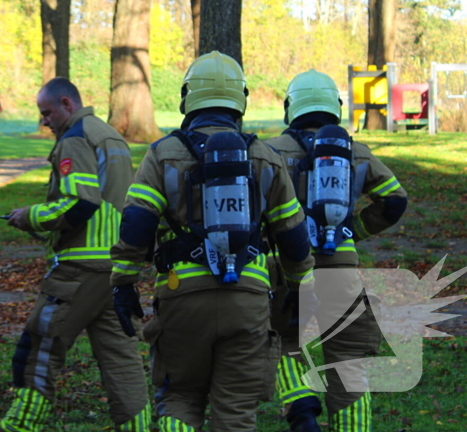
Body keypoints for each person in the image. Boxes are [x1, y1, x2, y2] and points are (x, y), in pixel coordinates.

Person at [110, 51, 314, 432]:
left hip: (181, 300)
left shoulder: (162, 154)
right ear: (241, 98)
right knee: (236, 412)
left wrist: (122, 283)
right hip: (248, 302)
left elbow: (136, 224)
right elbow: (294, 238)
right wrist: (301, 290)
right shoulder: (266, 158)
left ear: (188, 97)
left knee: (180, 397)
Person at [0, 77, 151, 432]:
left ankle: (18, 427)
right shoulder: (110, 135)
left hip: (80, 268)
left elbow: (81, 201)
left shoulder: (75, 137)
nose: (45, 121)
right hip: (117, 268)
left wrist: (29, 216)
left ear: (67, 104)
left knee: (39, 347)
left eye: (46, 113)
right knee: (121, 358)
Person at [266, 69, 408, 432]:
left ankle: (302, 408)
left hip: (285, 268)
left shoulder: (270, 153)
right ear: (336, 107)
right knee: (347, 357)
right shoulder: (356, 153)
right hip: (341, 271)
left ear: (290, 108)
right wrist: (351, 231)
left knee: (277, 341)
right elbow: (394, 200)